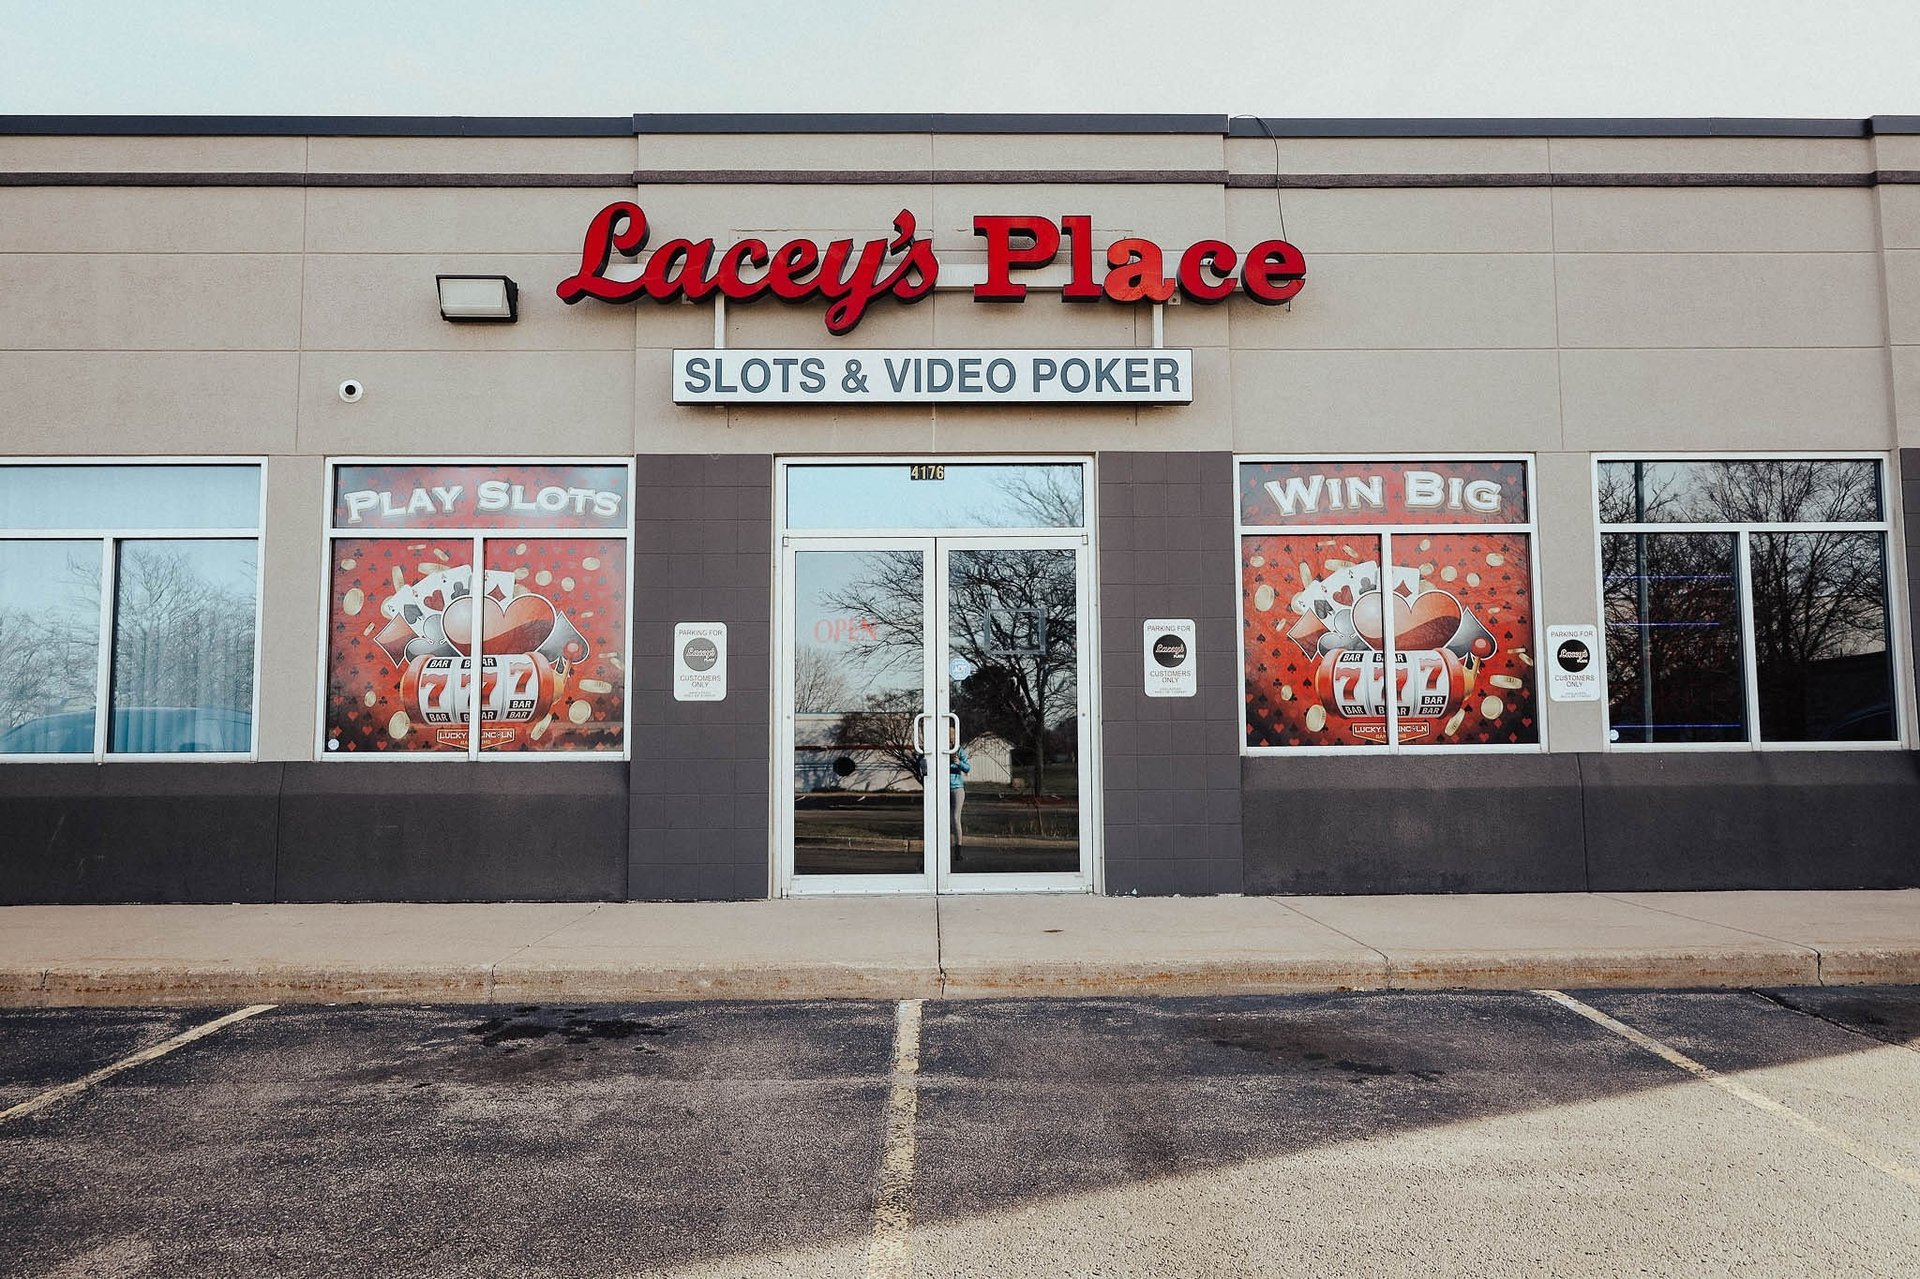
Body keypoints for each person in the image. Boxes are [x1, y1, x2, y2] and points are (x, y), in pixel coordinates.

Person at [949, 742, 971, 847]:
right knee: (945, 818)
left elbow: (967, 768)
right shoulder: (940, 751)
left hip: (957, 787)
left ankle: (958, 845)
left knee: (955, 817)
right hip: (942, 788)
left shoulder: (959, 750)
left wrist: (958, 763)